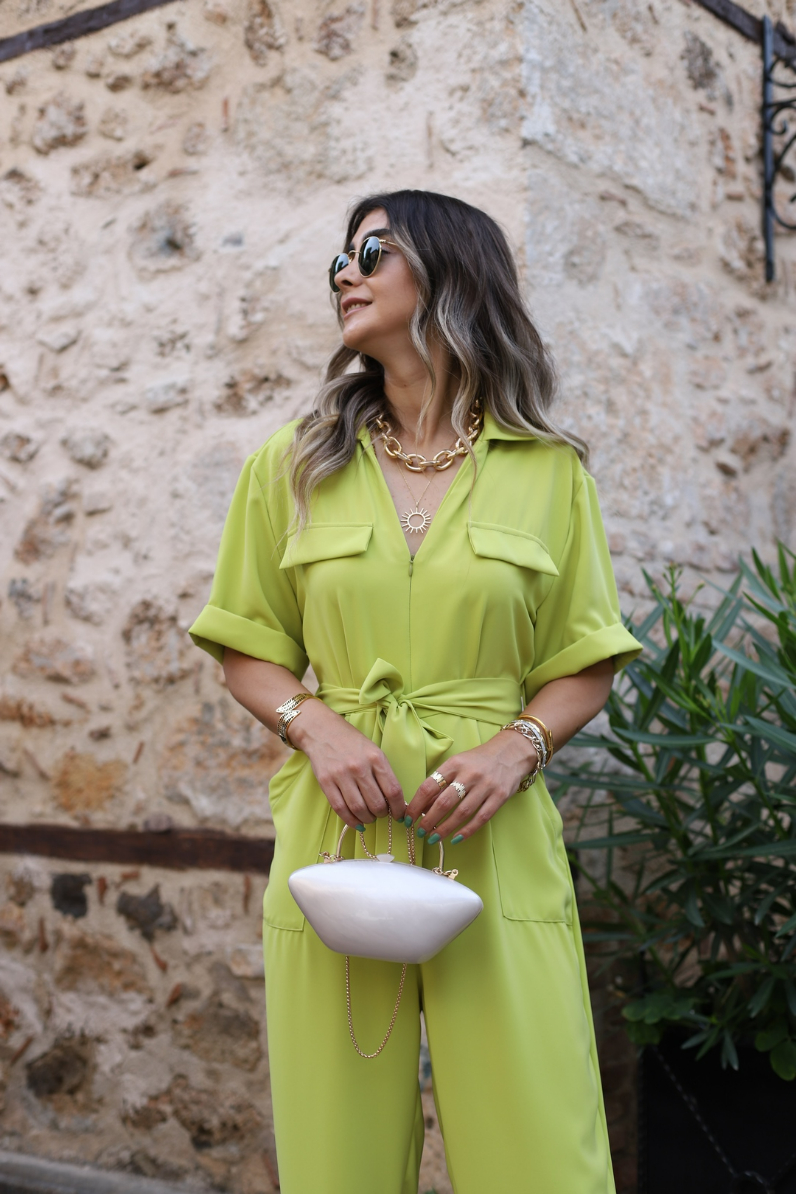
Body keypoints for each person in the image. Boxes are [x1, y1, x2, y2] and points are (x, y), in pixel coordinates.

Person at [189, 189, 642, 1194]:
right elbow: (247, 648)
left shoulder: (550, 474)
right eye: (339, 260)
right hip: (337, 831)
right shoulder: (292, 467)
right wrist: (315, 728)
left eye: (372, 251)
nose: (344, 274)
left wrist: (517, 747)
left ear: (450, 271)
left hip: (493, 833)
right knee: (336, 1151)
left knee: (538, 1145)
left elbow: (586, 660)